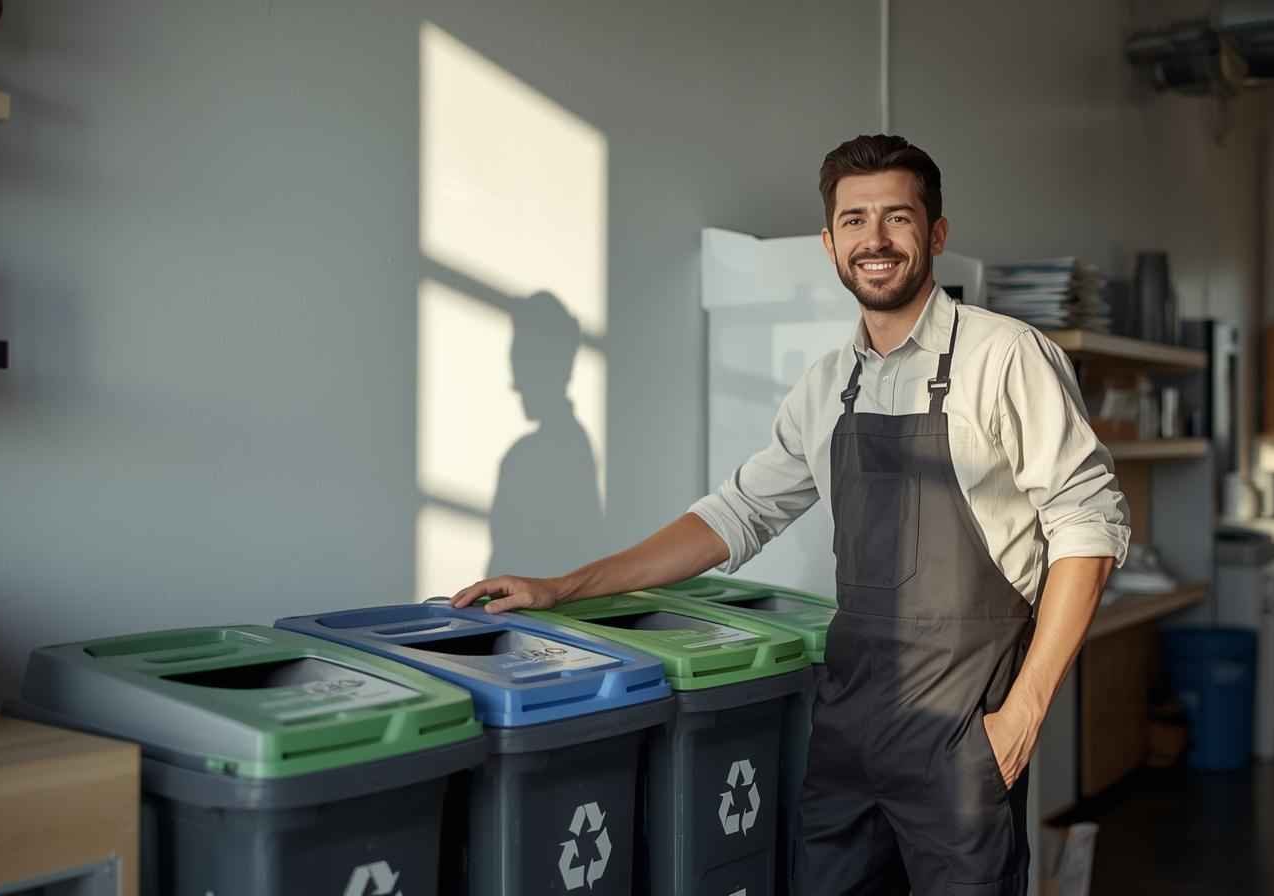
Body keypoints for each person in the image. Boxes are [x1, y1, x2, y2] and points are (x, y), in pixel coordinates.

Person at [453, 134, 1130, 895]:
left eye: (897, 218)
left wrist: (1023, 717)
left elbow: (1088, 528)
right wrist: (562, 587)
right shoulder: (826, 385)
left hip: (962, 736)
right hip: (848, 735)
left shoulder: (1007, 358)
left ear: (936, 234)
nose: (874, 240)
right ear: (829, 241)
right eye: (854, 220)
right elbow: (735, 514)